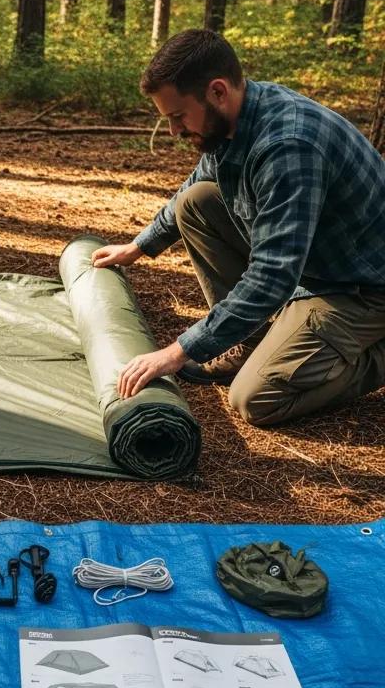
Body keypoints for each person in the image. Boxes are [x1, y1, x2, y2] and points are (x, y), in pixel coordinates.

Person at [92, 28, 385, 427]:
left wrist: (177, 351)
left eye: (178, 116)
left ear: (216, 92)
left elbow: (272, 276)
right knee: (196, 205)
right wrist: (139, 247)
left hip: (359, 288)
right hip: (318, 265)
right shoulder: (236, 117)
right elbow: (194, 185)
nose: (175, 131)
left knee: (256, 398)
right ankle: (249, 341)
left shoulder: (287, 146)